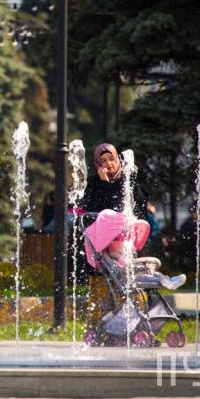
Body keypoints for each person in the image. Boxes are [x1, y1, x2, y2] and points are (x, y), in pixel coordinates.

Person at [78, 143, 148, 340]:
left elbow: (139, 210)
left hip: (124, 245)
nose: (108, 164)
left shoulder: (128, 180)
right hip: (102, 247)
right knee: (101, 288)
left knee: (132, 283)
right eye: (103, 161)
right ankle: (99, 331)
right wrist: (104, 184)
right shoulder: (94, 184)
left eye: (111, 159)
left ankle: (136, 328)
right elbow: (91, 211)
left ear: (118, 159)